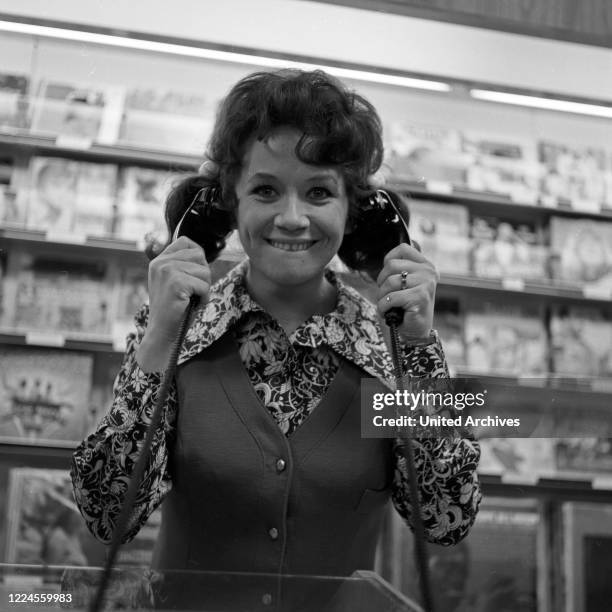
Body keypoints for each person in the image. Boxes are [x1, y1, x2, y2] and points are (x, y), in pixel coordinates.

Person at [70, 69, 481, 608]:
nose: (292, 218)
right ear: (226, 204)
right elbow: (105, 514)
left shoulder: (394, 342)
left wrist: (421, 350)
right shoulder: (174, 327)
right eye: (265, 190)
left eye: (318, 192)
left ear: (355, 211)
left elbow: (447, 518)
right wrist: (158, 341)